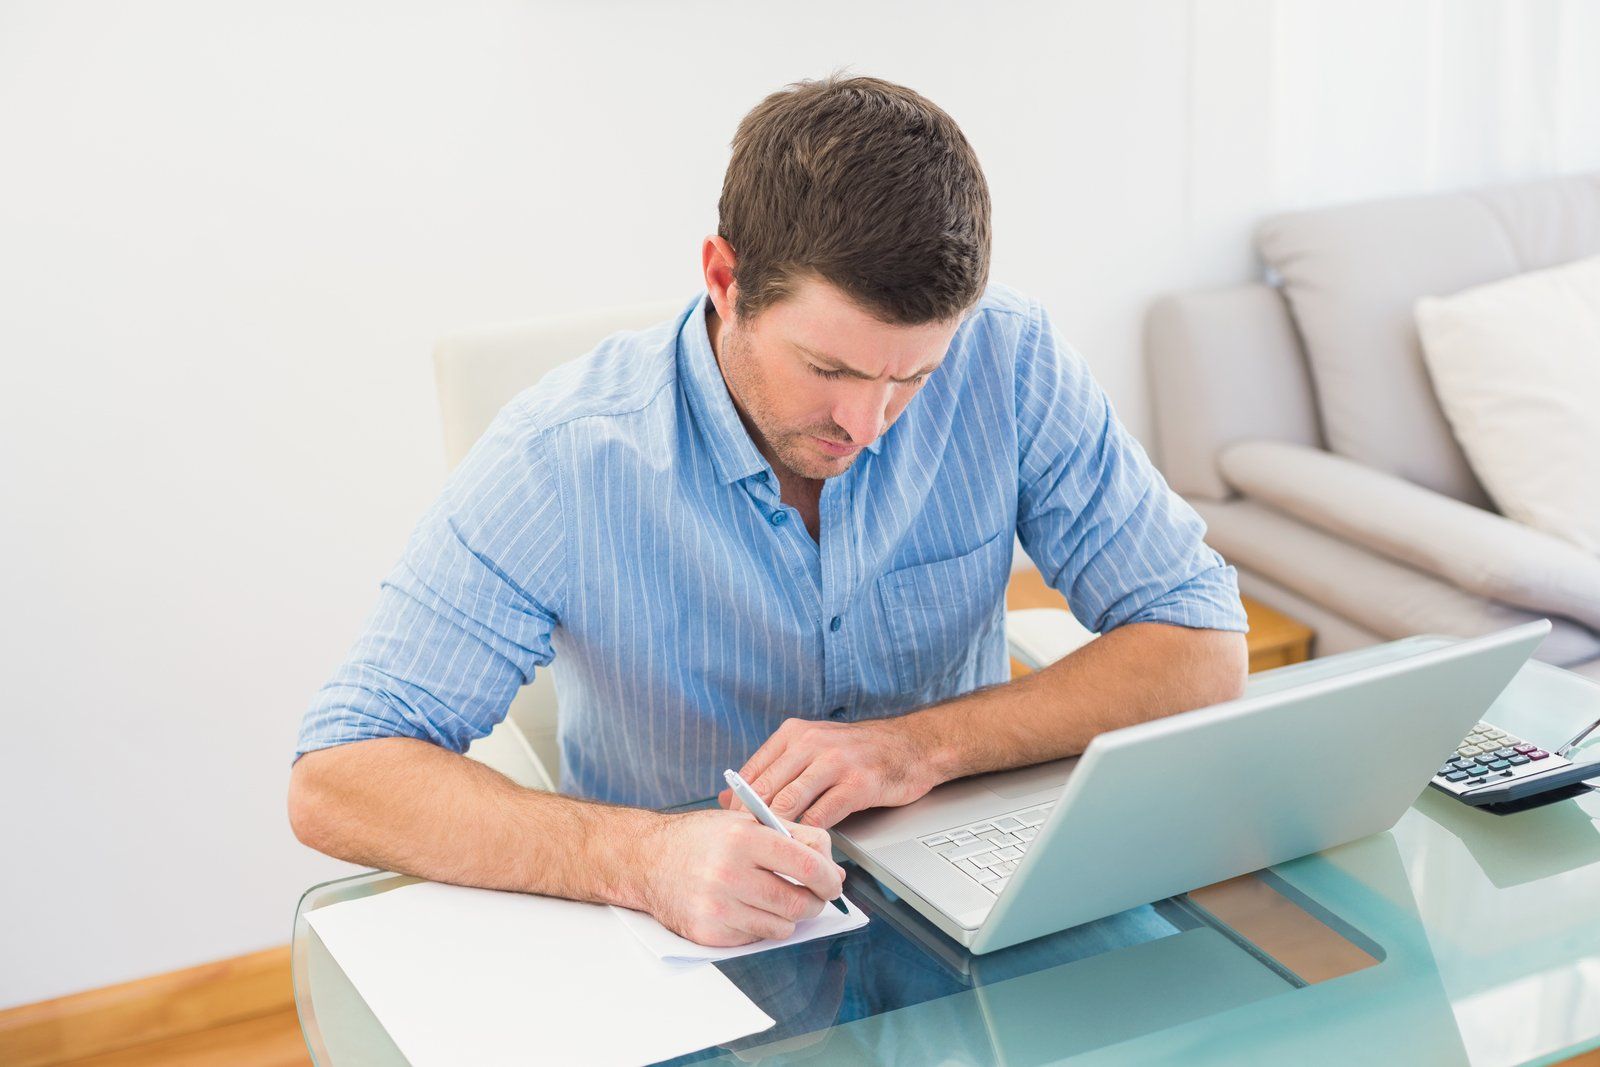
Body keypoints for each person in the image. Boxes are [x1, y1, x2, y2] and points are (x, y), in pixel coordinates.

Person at [288, 75, 1249, 949]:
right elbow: (339, 776)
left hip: (966, 884)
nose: (867, 424)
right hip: (689, 933)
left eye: (913, 376)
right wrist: (638, 858)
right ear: (725, 279)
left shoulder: (1010, 358)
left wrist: (917, 746)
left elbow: (1204, 641)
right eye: (829, 368)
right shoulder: (564, 453)